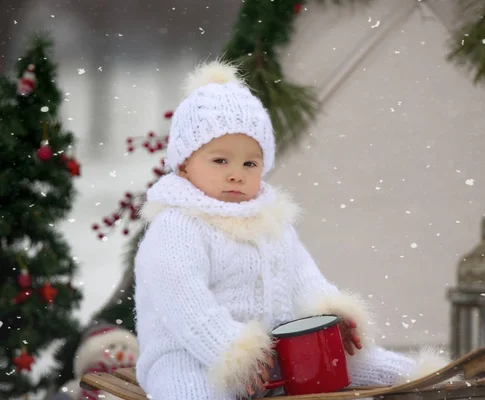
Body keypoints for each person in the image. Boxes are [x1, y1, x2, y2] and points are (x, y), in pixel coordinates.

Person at [133, 60, 450, 399]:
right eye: (220, 160)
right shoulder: (178, 226)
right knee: (192, 390)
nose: (236, 174)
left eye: (249, 163)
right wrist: (232, 349)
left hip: (277, 355)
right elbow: (185, 302)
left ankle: (421, 376)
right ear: (183, 164)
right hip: (190, 355)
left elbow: (303, 278)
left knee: (345, 362)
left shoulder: (272, 223)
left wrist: (329, 316)